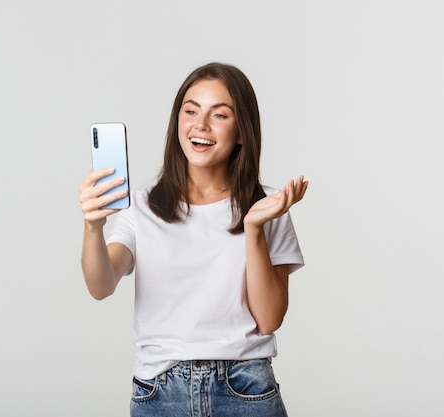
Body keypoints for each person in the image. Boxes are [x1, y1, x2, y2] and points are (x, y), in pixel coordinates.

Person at [79, 62, 308, 417]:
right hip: (160, 392)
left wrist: (254, 228)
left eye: (219, 115)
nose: (200, 125)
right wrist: (93, 227)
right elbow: (101, 284)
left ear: (242, 131)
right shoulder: (141, 207)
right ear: (178, 123)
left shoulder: (268, 207)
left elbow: (269, 319)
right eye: (190, 111)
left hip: (244, 387)